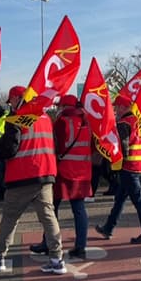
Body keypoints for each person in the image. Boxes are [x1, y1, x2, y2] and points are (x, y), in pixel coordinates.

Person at [0, 86, 66, 275]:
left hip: (22, 176)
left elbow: (9, 149)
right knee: (48, 217)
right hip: (45, 174)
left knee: (10, 219)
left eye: (11, 101)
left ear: (16, 98)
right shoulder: (45, 117)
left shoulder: (17, 118)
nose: (10, 104)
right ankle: (56, 258)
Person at [31, 95, 92, 259]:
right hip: (82, 171)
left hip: (62, 170)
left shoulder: (61, 121)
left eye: (60, 106)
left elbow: (54, 145)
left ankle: (48, 243)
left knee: (51, 209)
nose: (58, 108)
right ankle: (81, 247)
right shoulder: (87, 122)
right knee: (79, 209)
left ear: (64, 106)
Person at [95, 95, 141, 244]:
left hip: (129, 167)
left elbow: (123, 147)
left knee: (139, 201)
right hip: (139, 165)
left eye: (117, 107)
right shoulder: (139, 122)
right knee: (120, 199)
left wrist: (115, 163)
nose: (115, 110)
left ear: (123, 107)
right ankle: (108, 227)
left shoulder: (123, 123)